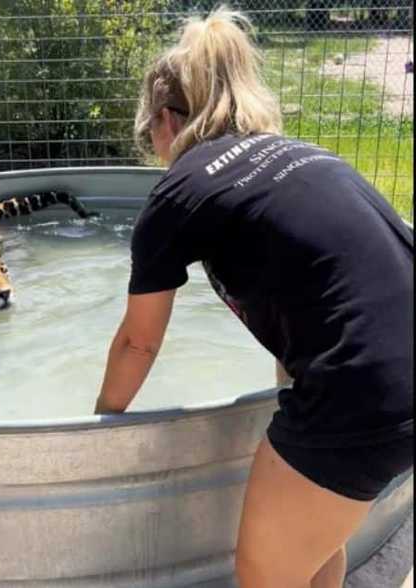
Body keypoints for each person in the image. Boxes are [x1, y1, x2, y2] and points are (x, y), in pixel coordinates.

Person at [94, 7, 412, 588]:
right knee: (313, 547)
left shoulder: (180, 190)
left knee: (265, 576)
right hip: (397, 373)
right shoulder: (303, 157)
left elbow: (139, 343)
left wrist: (97, 429)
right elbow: (331, 289)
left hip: (362, 396)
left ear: (165, 121)